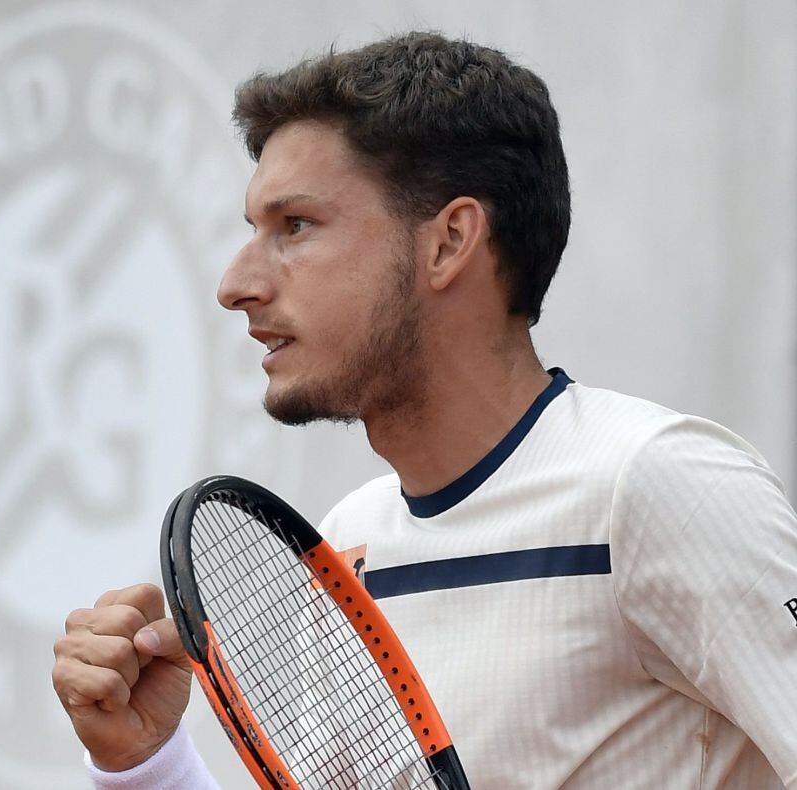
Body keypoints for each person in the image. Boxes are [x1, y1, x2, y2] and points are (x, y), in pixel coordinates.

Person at [51, 31, 797, 788]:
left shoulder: (663, 486)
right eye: (254, 232)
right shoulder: (347, 546)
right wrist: (145, 762)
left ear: (449, 241)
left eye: (296, 226)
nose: (237, 282)